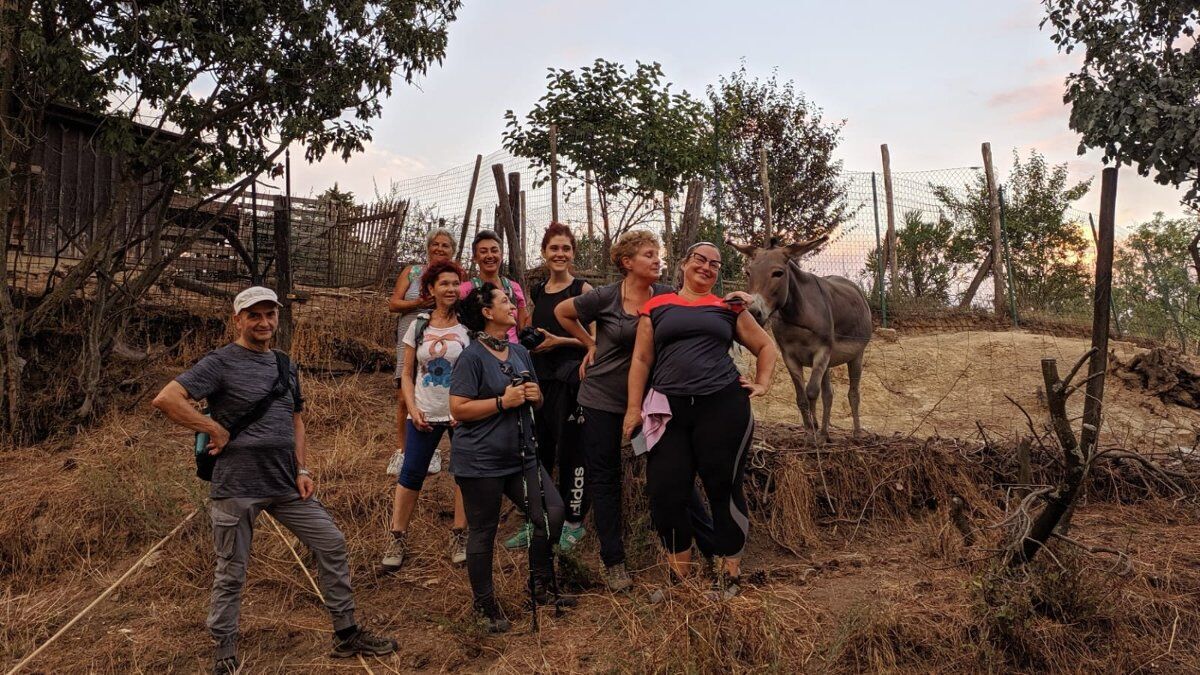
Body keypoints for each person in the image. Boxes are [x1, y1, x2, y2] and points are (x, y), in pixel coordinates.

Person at [152, 287, 395, 675]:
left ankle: (346, 633)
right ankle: (224, 651)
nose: (264, 323)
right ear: (238, 319)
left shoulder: (285, 364)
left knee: (331, 543)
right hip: (236, 486)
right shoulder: (220, 362)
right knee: (232, 570)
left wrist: (303, 469)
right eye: (255, 316)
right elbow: (167, 398)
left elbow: (296, 419)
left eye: (270, 315)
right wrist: (212, 427)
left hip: (285, 483)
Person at [555, 230, 719, 592]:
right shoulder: (606, 296)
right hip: (600, 399)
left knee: (674, 474)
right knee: (605, 477)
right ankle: (613, 561)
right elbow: (562, 312)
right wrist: (590, 343)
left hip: (648, 406)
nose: (656, 260)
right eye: (648, 254)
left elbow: (703, 309)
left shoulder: (666, 297)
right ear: (627, 262)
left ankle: (713, 550)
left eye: (657, 254)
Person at [624, 242, 778, 599]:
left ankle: (729, 575)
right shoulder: (656, 306)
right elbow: (642, 361)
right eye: (700, 260)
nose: (707, 267)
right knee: (666, 492)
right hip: (668, 412)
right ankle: (681, 581)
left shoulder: (728, 306)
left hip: (722, 408)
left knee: (723, 488)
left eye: (715, 264)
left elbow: (766, 346)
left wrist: (762, 383)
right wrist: (634, 409)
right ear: (684, 264)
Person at [449, 283, 572, 633]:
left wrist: (534, 396)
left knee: (552, 512)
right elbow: (458, 407)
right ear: (488, 313)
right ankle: (485, 607)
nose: (513, 305)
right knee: (483, 532)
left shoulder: (519, 353)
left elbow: (536, 400)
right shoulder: (471, 357)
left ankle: (541, 585)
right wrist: (503, 401)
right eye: (505, 301)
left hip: (522, 456)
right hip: (481, 460)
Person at [504, 223, 593, 552]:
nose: (560, 254)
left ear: (573, 253)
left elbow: (596, 342)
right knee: (538, 452)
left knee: (572, 453)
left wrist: (560, 341)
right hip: (537, 382)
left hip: (571, 382)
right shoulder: (539, 291)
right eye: (554, 248)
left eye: (566, 248)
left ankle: (573, 523)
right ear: (543, 253)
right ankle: (537, 519)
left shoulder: (582, 291)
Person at [382, 260, 471, 572]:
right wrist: (413, 408)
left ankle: (459, 535)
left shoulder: (467, 327)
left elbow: (476, 372)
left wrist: (467, 408)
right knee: (410, 475)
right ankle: (397, 537)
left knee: (463, 475)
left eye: (454, 283)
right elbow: (406, 374)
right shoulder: (419, 324)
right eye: (443, 283)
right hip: (423, 412)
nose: (449, 288)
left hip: (460, 414)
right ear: (430, 289)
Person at [388, 228, 456, 476]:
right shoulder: (413, 272)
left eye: (445, 245)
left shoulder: (455, 276)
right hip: (410, 338)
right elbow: (393, 303)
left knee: (438, 394)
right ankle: (403, 451)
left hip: (441, 344)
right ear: (428, 248)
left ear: (452, 251)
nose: (439, 249)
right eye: (435, 244)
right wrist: (418, 304)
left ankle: (432, 450)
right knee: (404, 397)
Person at [460, 230, 528, 342]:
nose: (490, 256)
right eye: (483, 251)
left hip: (513, 352)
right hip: (480, 353)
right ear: (475, 258)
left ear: (501, 255)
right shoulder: (465, 290)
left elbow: (523, 326)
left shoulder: (513, 288)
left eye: (494, 250)